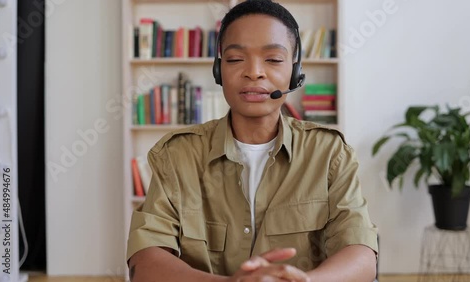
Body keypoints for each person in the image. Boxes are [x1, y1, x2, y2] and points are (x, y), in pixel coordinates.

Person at [127, 0, 378, 281]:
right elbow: (145, 261)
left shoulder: (330, 152)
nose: (254, 72)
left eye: (272, 59)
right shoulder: (176, 154)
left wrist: (305, 281)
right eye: (235, 59)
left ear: (295, 72)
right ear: (218, 70)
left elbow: (362, 254)